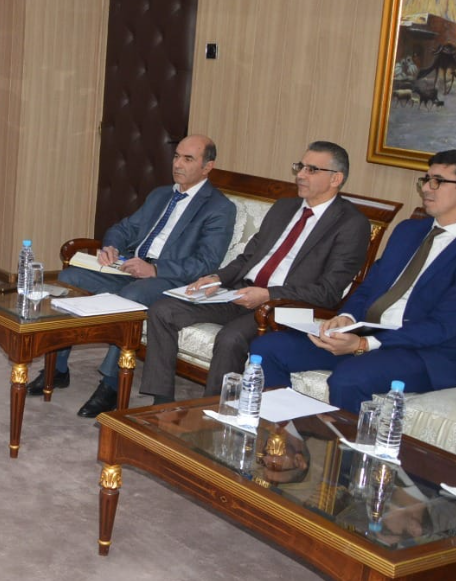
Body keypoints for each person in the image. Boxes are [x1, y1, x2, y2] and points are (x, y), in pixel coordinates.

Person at [140, 141, 371, 403]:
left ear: (336, 179)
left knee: (231, 339)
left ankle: (214, 411)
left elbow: (327, 292)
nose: (300, 175)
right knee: (163, 310)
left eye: (311, 169)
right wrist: (218, 277)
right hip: (240, 292)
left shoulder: (351, 224)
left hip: (284, 306)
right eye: (300, 167)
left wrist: (268, 294)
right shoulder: (284, 208)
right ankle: (161, 403)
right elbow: (248, 257)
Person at [28, 135, 236, 418]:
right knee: (70, 278)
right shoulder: (160, 195)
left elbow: (206, 262)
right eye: (176, 156)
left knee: (132, 296)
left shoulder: (219, 208)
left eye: (188, 159)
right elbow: (123, 228)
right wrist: (111, 247)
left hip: (169, 281)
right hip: (128, 268)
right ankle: (57, 368)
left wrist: (155, 269)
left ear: (207, 166)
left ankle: (111, 384)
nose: (178, 164)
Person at [251, 149, 456, 412]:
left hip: (424, 352)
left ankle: (335, 441)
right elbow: (370, 286)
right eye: (426, 179)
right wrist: (347, 318)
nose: (427, 188)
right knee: (268, 347)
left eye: (438, 181)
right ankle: (284, 431)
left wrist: (363, 343)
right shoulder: (409, 231)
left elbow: (441, 327)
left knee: (348, 379)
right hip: (367, 332)